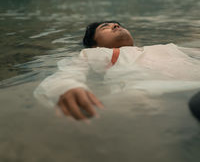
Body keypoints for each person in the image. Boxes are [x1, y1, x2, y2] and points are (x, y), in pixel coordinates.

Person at [34, 21, 200, 121]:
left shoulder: (167, 47)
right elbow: (69, 71)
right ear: (95, 44)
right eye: (105, 27)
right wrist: (68, 87)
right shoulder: (99, 53)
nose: (115, 25)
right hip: (154, 93)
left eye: (117, 25)